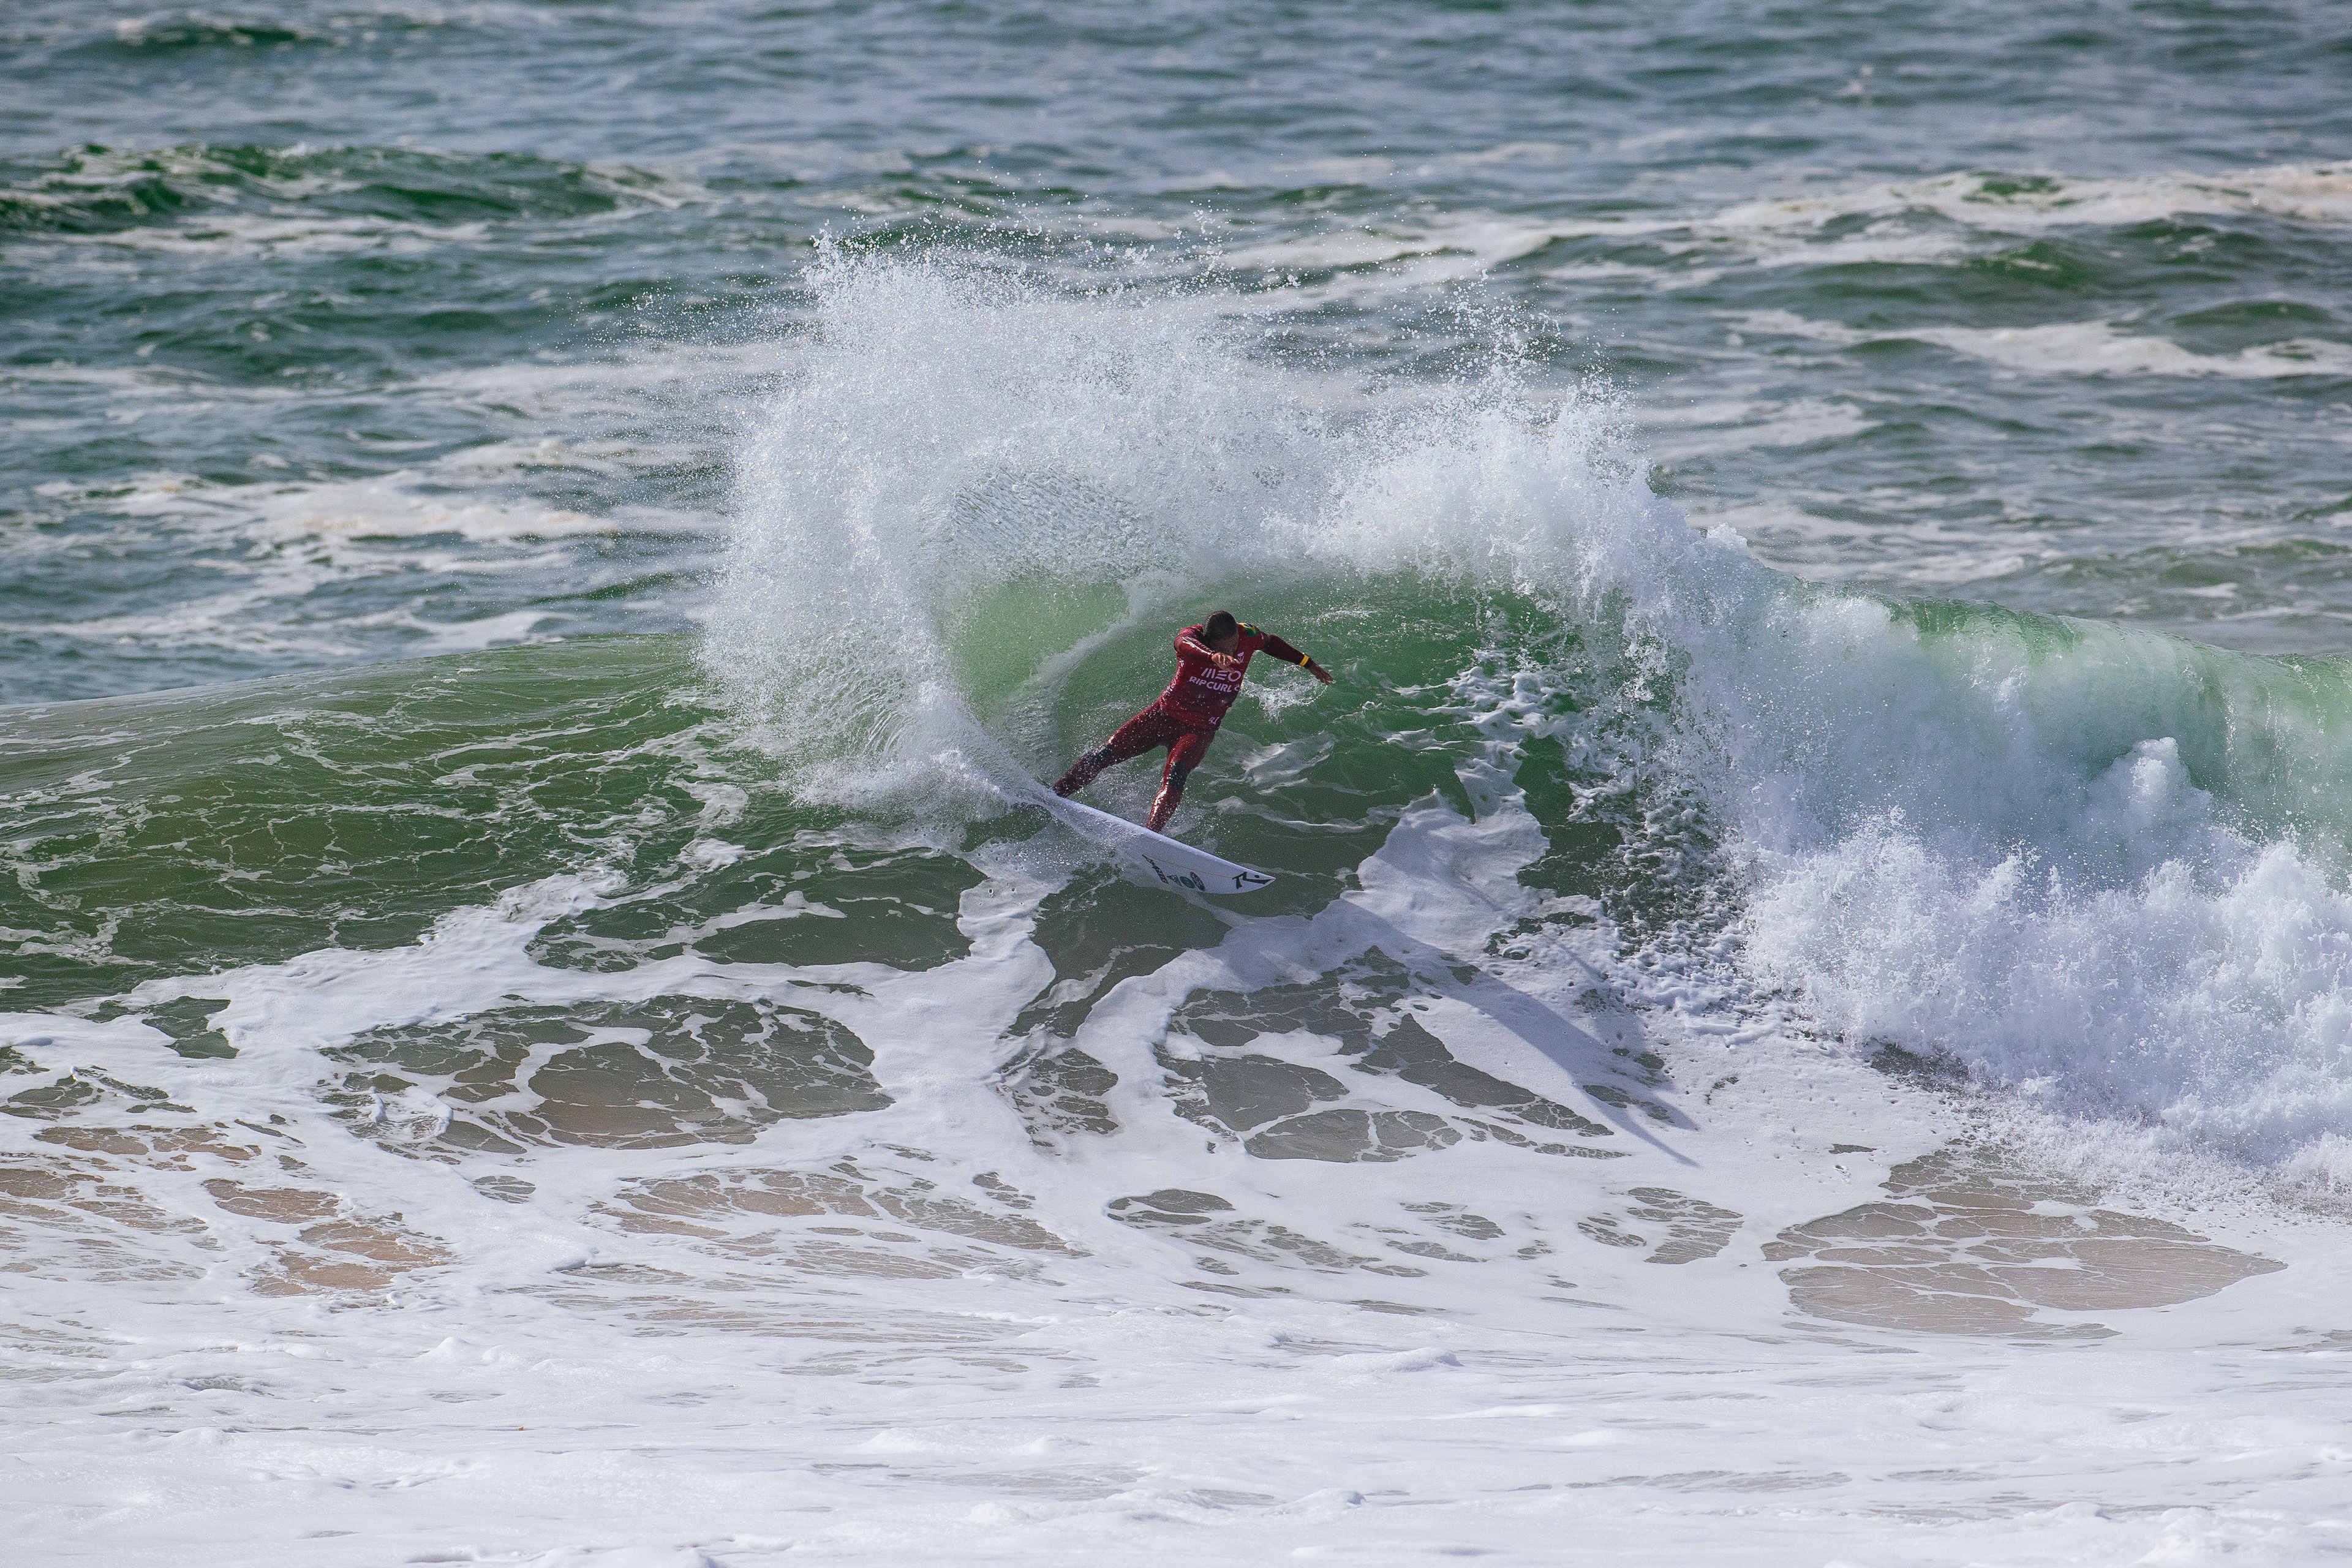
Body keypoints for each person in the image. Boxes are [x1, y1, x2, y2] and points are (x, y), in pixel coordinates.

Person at [1053, 609, 1333, 833]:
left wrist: (1307, 663)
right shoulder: (1191, 639)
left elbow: (1271, 642)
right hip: (1161, 716)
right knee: (1103, 754)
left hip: (1199, 729)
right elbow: (1182, 644)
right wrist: (1212, 656)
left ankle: (1151, 837)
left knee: (1175, 775)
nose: (1233, 652)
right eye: (1226, 648)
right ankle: (1054, 795)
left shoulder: (1246, 634)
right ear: (1210, 642)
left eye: (1234, 645)